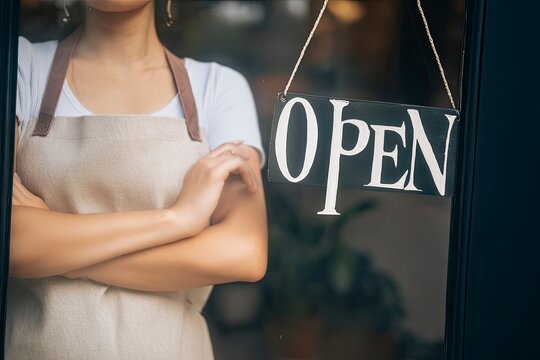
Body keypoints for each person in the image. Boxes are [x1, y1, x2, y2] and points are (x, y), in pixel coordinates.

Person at [7, 1, 268, 359]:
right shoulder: (19, 65)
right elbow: (11, 241)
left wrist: (53, 250)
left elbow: (243, 253)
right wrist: (177, 220)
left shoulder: (218, 88)